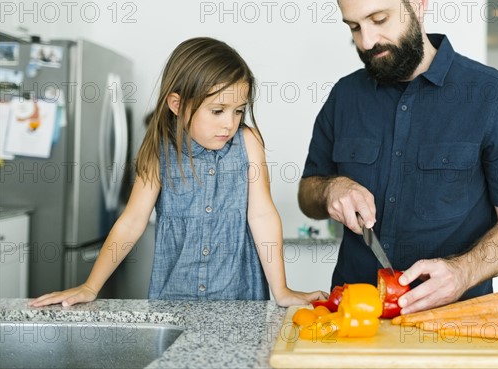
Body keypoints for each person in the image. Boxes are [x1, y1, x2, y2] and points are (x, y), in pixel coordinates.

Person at [298, 0, 498, 315]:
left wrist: (462, 272)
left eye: (379, 19)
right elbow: (308, 195)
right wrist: (332, 188)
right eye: (354, 26)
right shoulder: (345, 95)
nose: (366, 41)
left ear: (417, 2)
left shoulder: (495, 96)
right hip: (356, 314)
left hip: (458, 318)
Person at [30, 37, 326, 307]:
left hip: (240, 302)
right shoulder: (160, 151)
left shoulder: (248, 143)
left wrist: (282, 290)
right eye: (217, 110)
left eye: (238, 111)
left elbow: (262, 215)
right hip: (174, 302)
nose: (229, 124)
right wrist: (91, 286)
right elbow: (132, 221)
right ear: (177, 104)